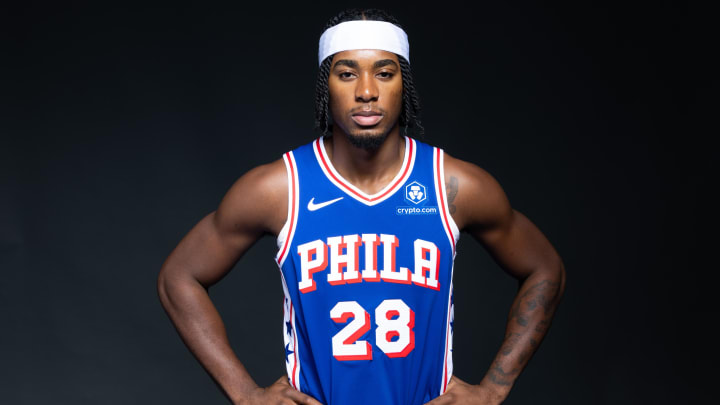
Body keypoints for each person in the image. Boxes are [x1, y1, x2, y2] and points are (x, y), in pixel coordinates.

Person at [157, 8, 566, 405]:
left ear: (403, 85)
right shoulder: (281, 188)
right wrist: (246, 395)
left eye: (384, 74)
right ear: (325, 86)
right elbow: (179, 278)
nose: (366, 91)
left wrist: (493, 390)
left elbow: (545, 269)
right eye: (347, 73)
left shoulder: (452, 186)